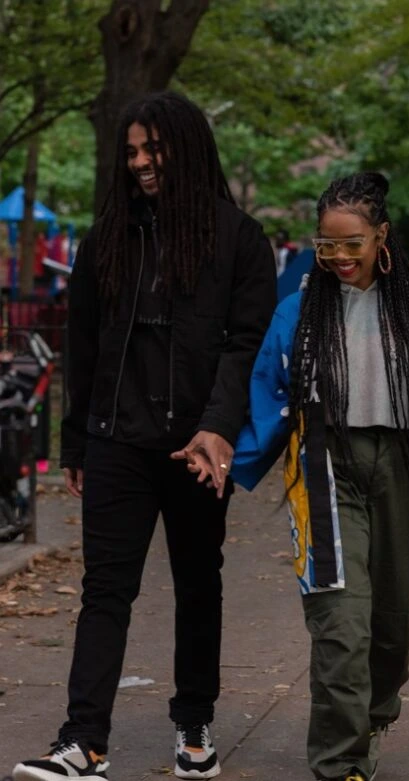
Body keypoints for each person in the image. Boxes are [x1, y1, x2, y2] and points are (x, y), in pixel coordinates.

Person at [186, 172, 409, 781]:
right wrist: (226, 459)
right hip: (327, 468)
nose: (338, 257)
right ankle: (339, 765)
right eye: (326, 243)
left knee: (391, 625)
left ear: (381, 235)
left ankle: (373, 715)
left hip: (407, 471)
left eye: (352, 243)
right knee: (340, 624)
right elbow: (268, 396)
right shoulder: (298, 311)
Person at [13, 91, 276, 781]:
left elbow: (246, 343)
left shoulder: (238, 238)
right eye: (130, 152)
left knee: (198, 582)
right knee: (105, 588)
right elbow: (85, 347)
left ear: (183, 148)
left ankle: (194, 722)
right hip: (117, 442)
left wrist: (218, 428)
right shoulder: (108, 238)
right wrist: (75, 441)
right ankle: (84, 741)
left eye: (151, 149)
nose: (139, 163)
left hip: (197, 448)